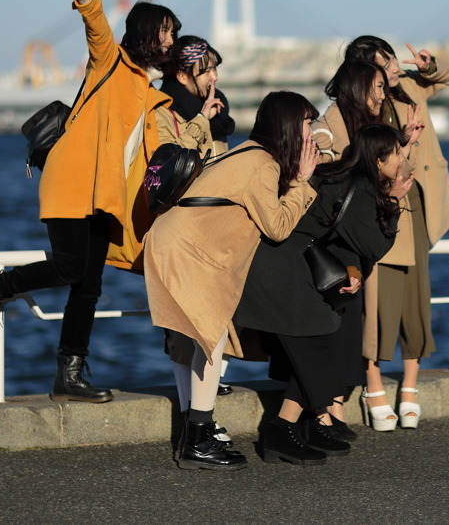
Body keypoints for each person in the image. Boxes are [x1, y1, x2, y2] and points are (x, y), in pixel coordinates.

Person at [0, 0, 178, 403]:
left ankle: (69, 375)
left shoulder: (151, 93)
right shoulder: (110, 61)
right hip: (72, 182)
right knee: (72, 269)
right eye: (165, 32)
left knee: (87, 287)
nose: (170, 41)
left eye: (174, 34)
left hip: (103, 195)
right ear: (146, 33)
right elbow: (97, 26)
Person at [143, 91, 319, 470]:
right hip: (189, 251)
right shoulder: (263, 165)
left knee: (202, 340)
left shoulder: (249, 152)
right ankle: (198, 439)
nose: (312, 131)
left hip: (176, 243)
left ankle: (198, 429)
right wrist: (303, 182)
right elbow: (277, 227)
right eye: (307, 122)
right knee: (211, 339)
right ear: (289, 125)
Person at [236, 124, 412, 465]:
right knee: (322, 343)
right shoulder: (361, 187)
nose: (403, 160)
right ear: (379, 161)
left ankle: (303, 425)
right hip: (280, 274)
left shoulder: (339, 176)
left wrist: (352, 270)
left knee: (322, 342)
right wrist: (393, 202)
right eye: (398, 154)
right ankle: (281, 430)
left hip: (281, 265)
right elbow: (373, 246)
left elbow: (338, 236)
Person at [342, 36, 449, 431]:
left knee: (416, 295)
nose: (393, 68)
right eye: (384, 64)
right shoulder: (361, 108)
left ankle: (410, 383)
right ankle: (372, 382)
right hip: (382, 207)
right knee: (377, 298)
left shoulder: (408, 86)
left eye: (391, 59)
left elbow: (445, 78)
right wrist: (404, 144)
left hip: (418, 202)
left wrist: (429, 66)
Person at [311, 57, 423, 431]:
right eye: (376, 86)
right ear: (359, 88)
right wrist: (389, 198)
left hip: (350, 245)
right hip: (333, 246)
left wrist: (400, 146)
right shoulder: (328, 130)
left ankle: (334, 409)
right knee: (334, 329)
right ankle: (328, 410)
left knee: (346, 329)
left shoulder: (374, 126)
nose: (382, 94)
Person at [154, 35, 237, 444]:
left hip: (214, 227)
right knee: (183, 329)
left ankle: (198, 416)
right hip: (182, 228)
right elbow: (170, 162)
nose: (214, 77)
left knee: (209, 325)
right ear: (184, 73)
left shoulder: (212, 110)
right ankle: (193, 419)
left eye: (215, 69)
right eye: (206, 70)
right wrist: (202, 120)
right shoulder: (164, 109)